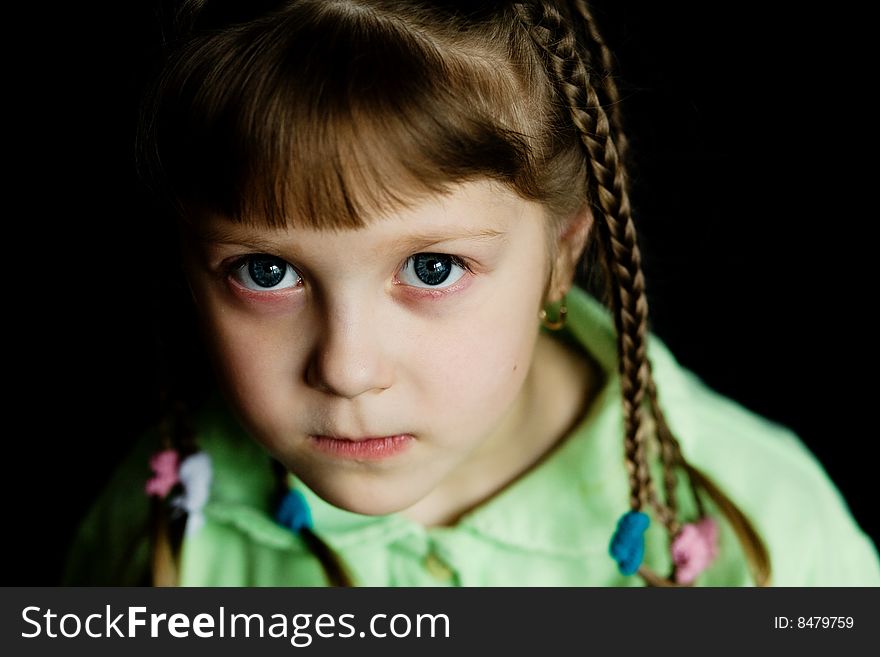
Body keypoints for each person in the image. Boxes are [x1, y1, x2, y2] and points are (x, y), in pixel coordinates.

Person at [63, 0, 879, 587]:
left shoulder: (764, 533)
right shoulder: (163, 525)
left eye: (432, 268)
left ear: (561, 254)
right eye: (267, 271)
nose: (347, 369)